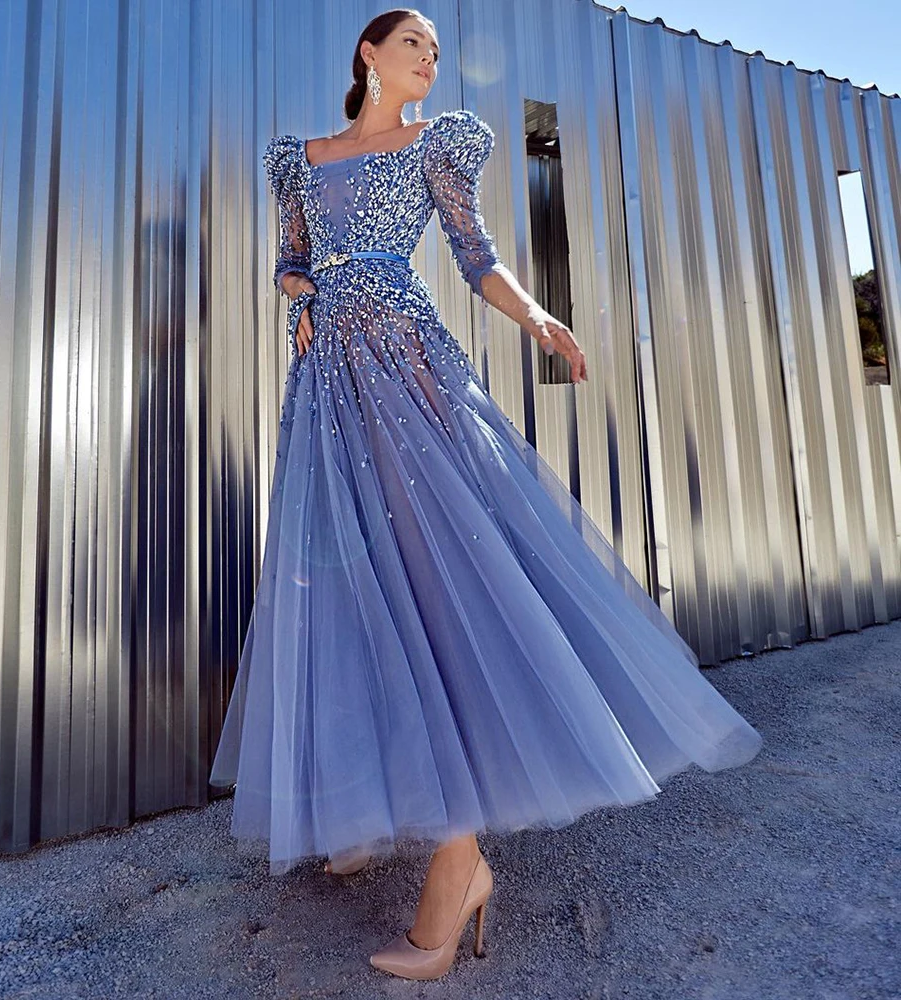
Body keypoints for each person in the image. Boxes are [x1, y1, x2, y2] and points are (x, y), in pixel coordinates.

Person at [209, 6, 763, 982]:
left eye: (437, 47)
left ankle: (456, 865)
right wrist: (305, 305)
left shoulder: (443, 145)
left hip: (411, 373)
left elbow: (475, 259)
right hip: (331, 388)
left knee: (436, 588)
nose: (428, 58)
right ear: (369, 54)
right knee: (345, 595)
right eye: (411, 41)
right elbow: (290, 265)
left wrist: (540, 315)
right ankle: (372, 805)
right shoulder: (298, 160)